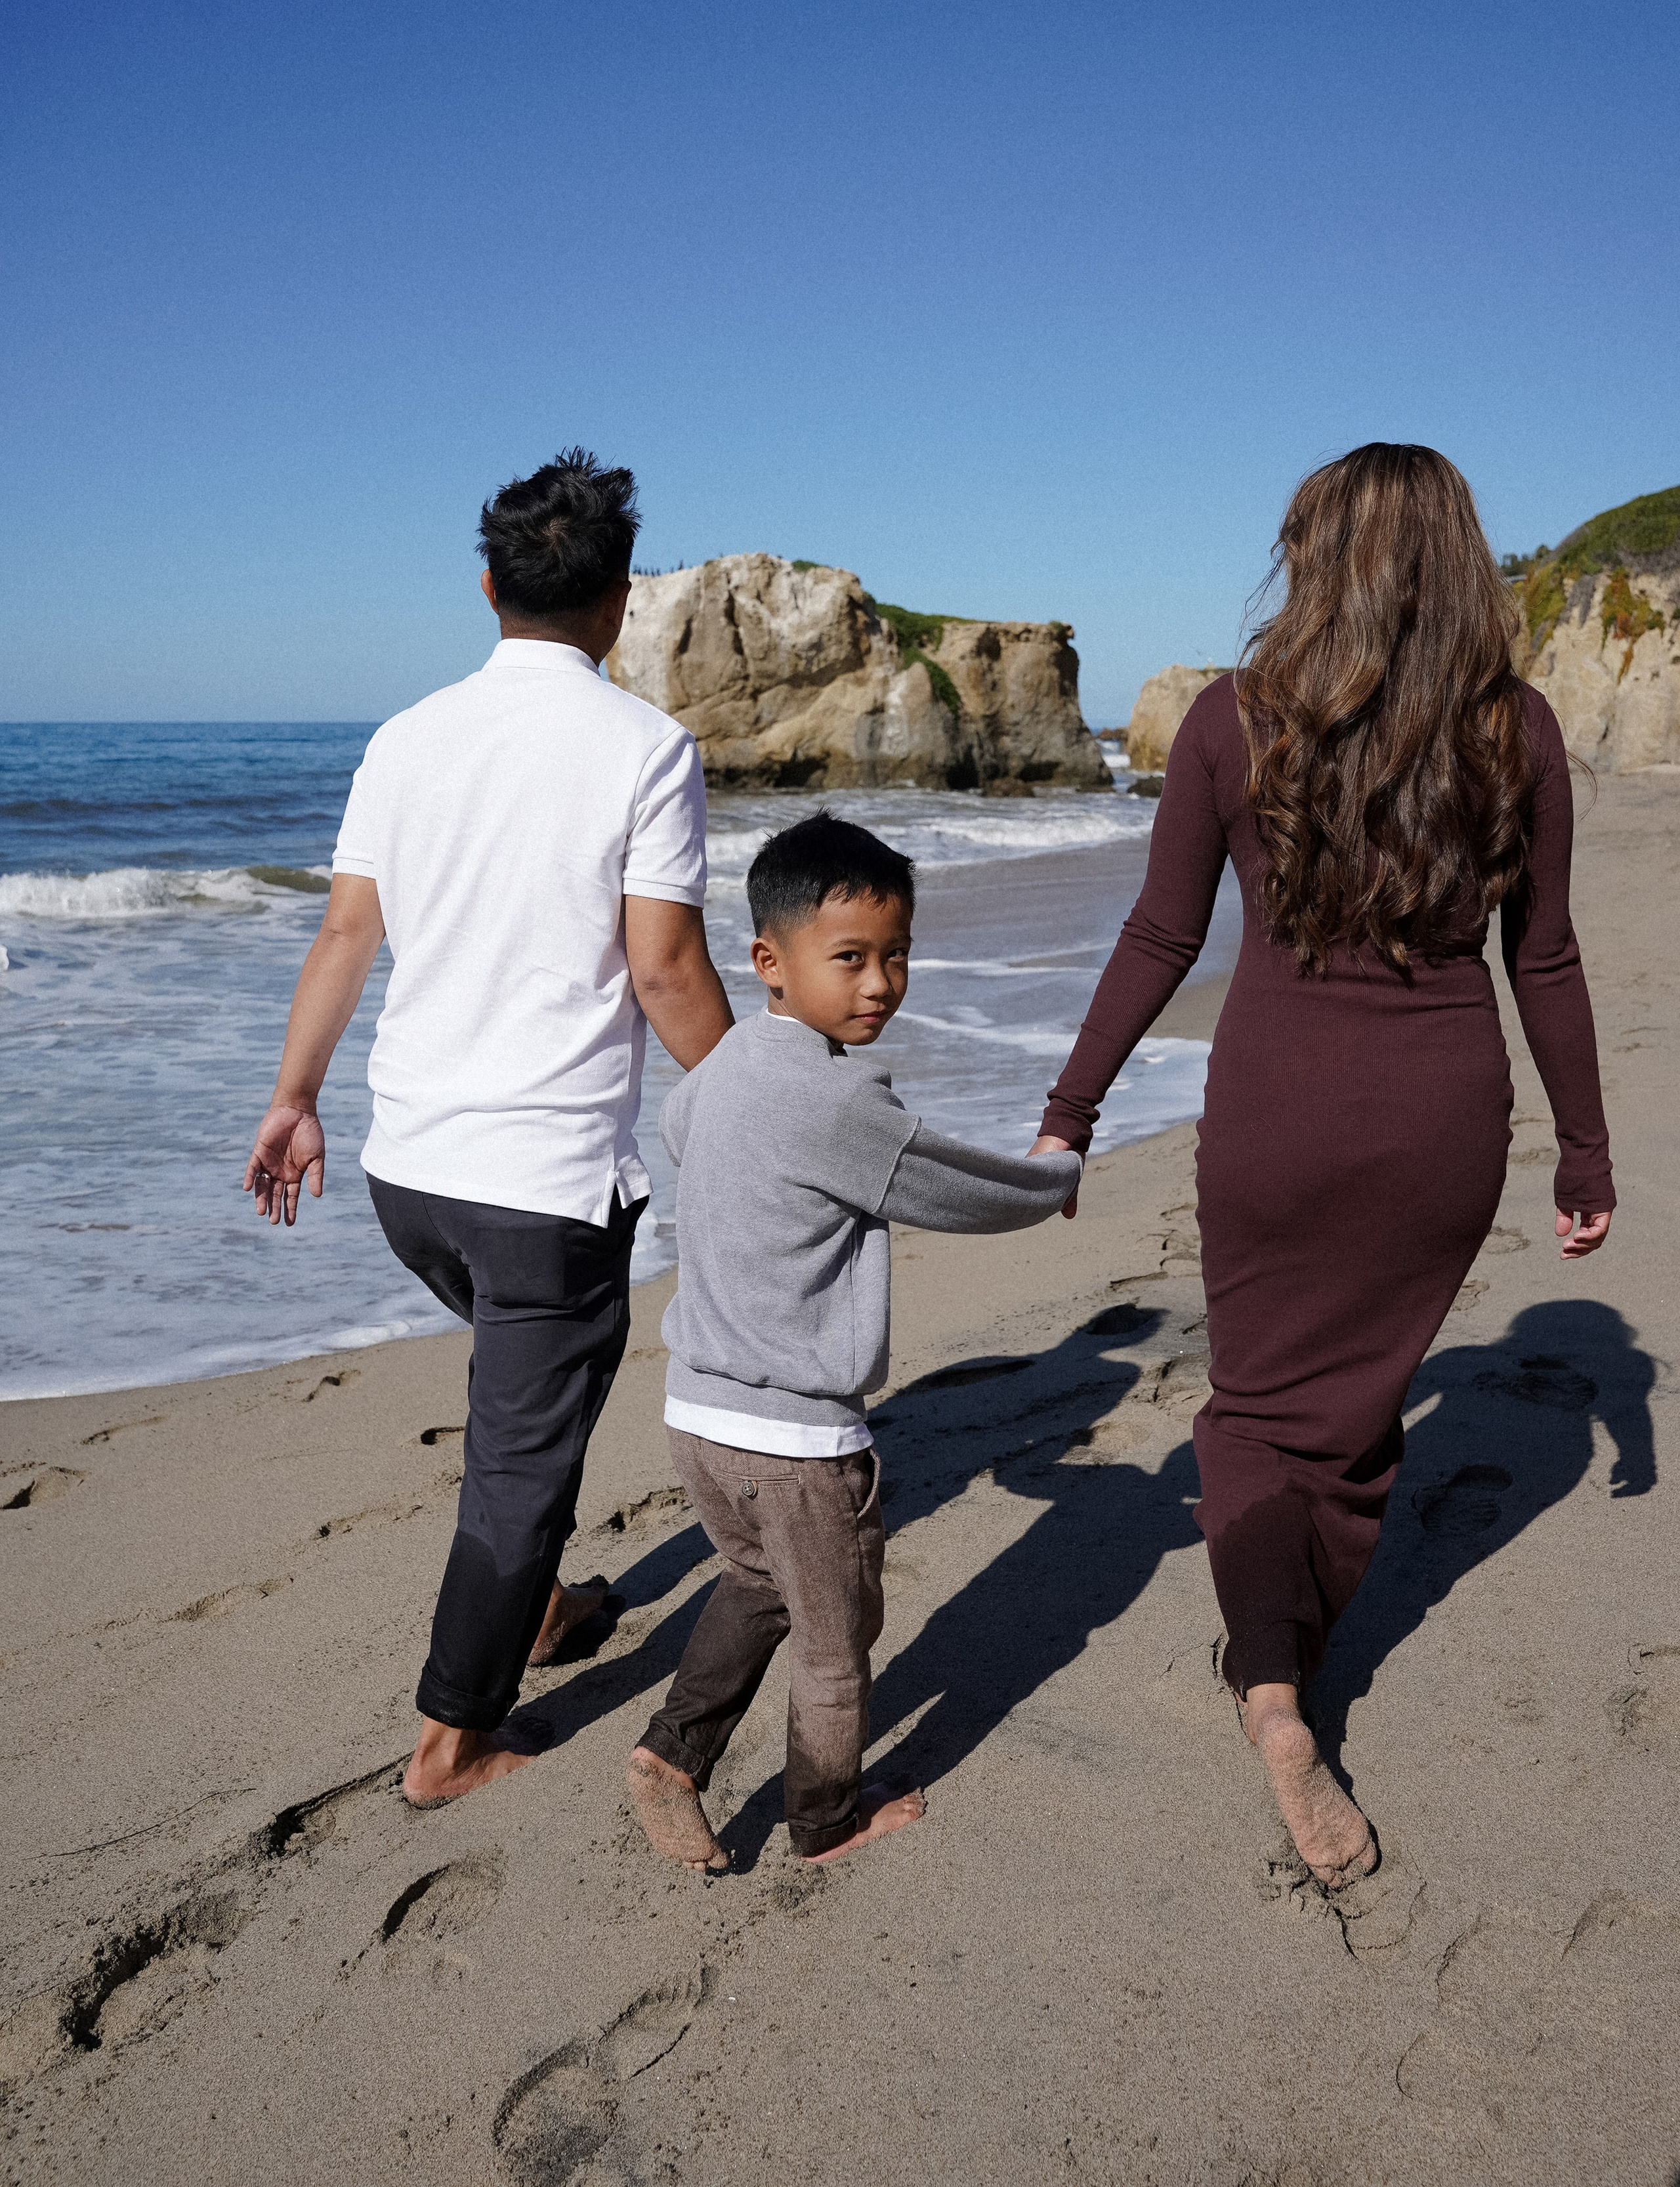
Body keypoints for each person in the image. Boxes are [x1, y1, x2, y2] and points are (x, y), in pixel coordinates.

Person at [1032, 444, 1614, 1890]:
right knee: (1352, 1416)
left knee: (1252, 1407)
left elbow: (1161, 935)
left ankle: (1272, 1683)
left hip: (1275, 1112)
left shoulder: (1234, 719)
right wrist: (1583, 1151)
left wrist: (1071, 1110)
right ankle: (1290, 1649)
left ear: (1315, 559)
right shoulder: (1517, 729)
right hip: (1439, 1121)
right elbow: (1542, 959)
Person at [242, 451, 734, 1810]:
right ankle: (450, 1741)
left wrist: (294, 1098)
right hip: (543, 1187)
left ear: (486, 588)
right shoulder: (645, 748)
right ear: (621, 598)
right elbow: (666, 972)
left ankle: (539, 1605)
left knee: (531, 1398)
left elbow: (347, 933)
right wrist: (767, 1097)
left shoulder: (407, 738)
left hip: (409, 1176)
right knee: (523, 1452)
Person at [625, 812, 1082, 1871]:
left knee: (755, 1583)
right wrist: (1053, 1174)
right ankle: (825, 1820)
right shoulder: (838, 1100)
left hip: (696, 1412)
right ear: (769, 962)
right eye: (850, 959)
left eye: (897, 955)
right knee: (836, 1643)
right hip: (795, 1439)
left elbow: (685, 1135)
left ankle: (671, 1755)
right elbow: (957, 1189)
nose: (880, 984)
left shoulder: (720, 1069)